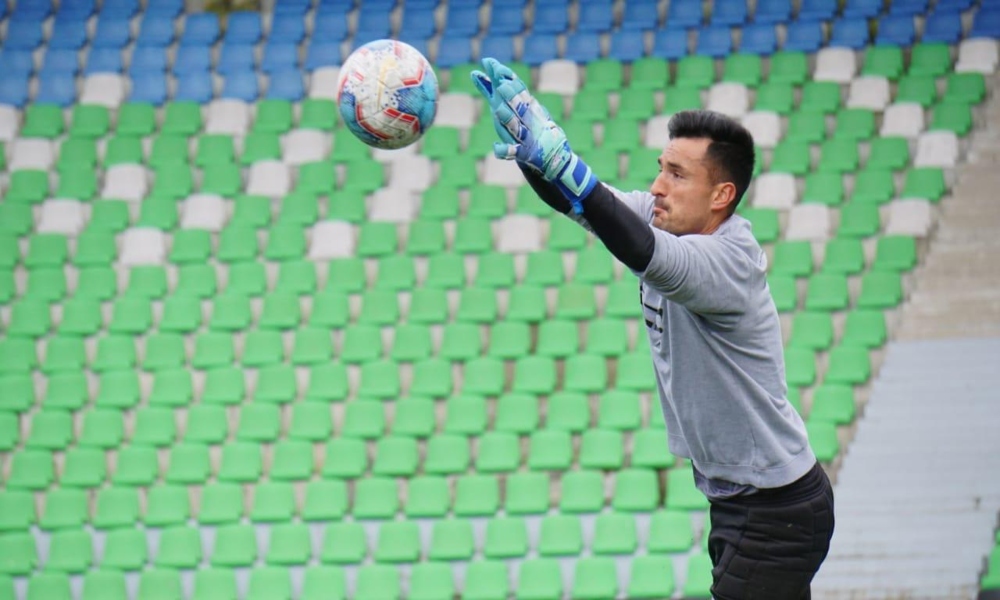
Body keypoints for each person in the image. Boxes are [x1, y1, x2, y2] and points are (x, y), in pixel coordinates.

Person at [471, 58, 836, 599]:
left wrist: (563, 162)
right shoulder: (663, 215)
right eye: (661, 167)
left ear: (722, 196)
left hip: (774, 511)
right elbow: (589, 206)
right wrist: (533, 155)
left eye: (678, 174)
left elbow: (641, 251)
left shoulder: (728, 259)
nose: (658, 185)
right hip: (742, 503)